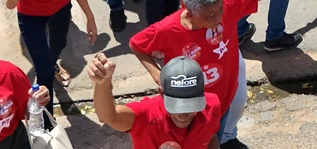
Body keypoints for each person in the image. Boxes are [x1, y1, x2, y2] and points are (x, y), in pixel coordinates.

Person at [131, 0, 317, 148]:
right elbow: (137, 44)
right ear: (190, 13)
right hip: (189, 109)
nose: (219, 18)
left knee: (217, 137)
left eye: (220, 9)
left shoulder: (227, 2)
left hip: (223, 99)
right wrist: (158, 76)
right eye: (211, 15)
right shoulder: (167, 29)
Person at [89, 53, 222, 149]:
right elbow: (108, 116)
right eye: (176, 106)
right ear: (161, 93)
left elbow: (211, 136)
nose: (183, 115)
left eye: (190, 106)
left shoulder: (212, 106)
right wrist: (103, 83)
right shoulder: (147, 116)